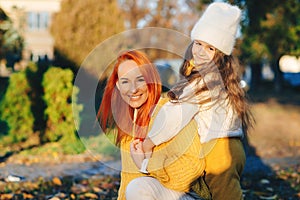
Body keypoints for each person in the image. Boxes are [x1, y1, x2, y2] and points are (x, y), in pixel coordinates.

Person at [131, 2, 254, 199]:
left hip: (219, 151)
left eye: (210, 48)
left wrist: (149, 142)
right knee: (223, 192)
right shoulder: (218, 79)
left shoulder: (206, 81)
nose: (200, 51)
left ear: (221, 55)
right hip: (231, 148)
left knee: (225, 195)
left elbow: (176, 116)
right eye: (198, 43)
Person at [97, 50, 210, 200]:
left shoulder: (171, 111)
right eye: (125, 81)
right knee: (135, 187)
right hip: (157, 193)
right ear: (118, 86)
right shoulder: (128, 125)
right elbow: (128, 181)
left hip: (190, 196)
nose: (133, 89)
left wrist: (146, 164)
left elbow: (189, 171)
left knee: (138, 188)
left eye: (140, 79)